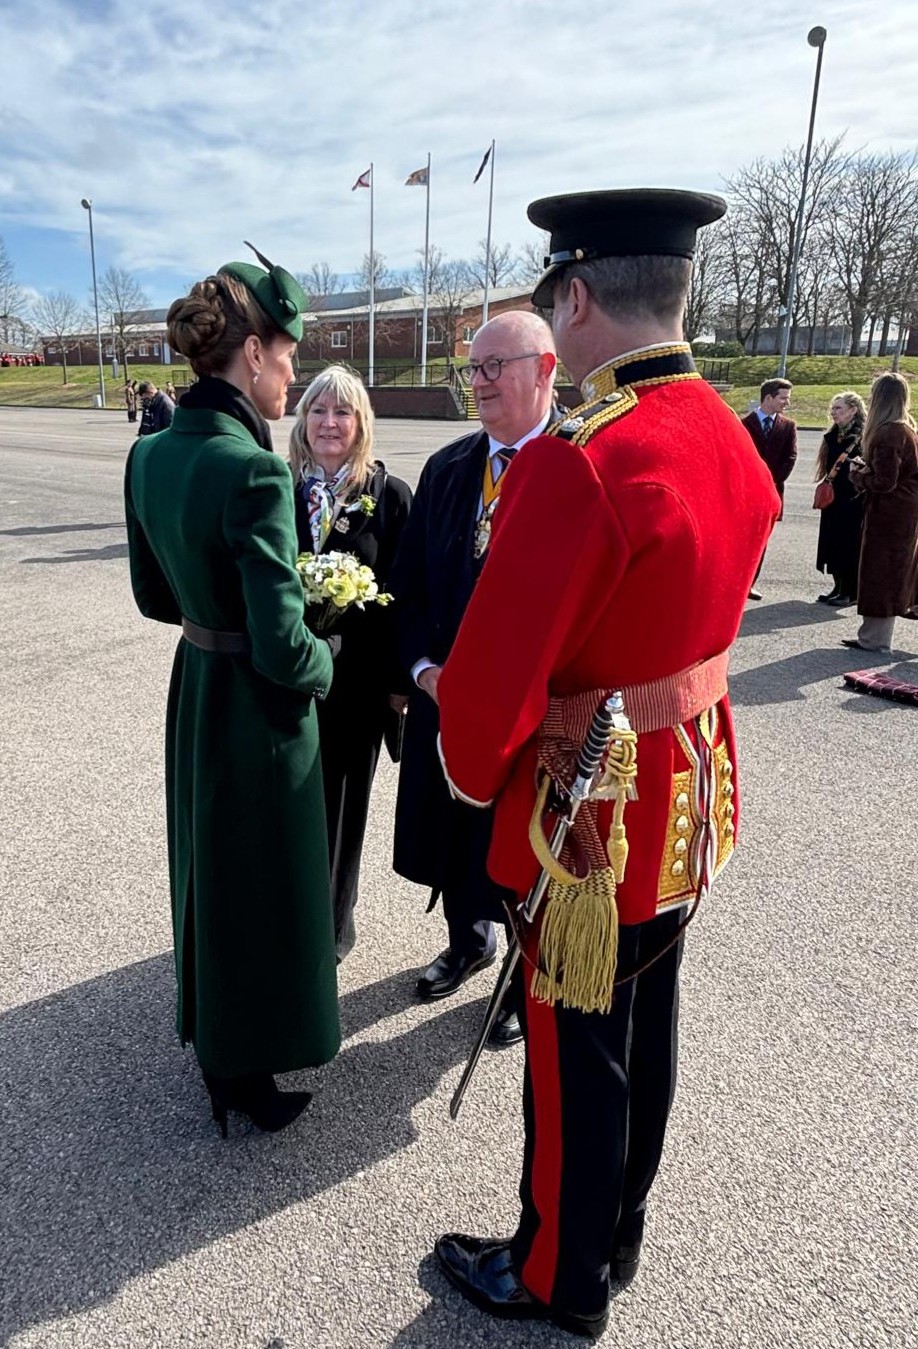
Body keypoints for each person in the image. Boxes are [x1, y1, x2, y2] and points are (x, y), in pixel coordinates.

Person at [432, 189, 780, 1339]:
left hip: (590, 803)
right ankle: (616, 1231)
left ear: (576, 296)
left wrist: (473, 773)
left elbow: (490, 689)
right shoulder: (727, 431)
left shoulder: (587, 455)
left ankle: (558, 1273)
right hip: (683, 786)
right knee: (648, 1015)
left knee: (573, 1039)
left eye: (551, 296)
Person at [124, 248, 340, 1136]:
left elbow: (150, 595)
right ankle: (245, 1069)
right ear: (251, 355)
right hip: (257, 705)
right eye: (289, 356)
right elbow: (287, 648)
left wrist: (210, 611)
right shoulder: (254, 471)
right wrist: (329, 660)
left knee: (211, 870)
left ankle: (219, 1052)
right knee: (262, 884)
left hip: (197, 683)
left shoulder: (150, 454)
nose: (293, 374)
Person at [391, 310, 559, 1048]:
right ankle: (469, 940)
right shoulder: (449, 467)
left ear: (545, 367)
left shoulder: (578, 464)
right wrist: (424, 671)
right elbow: (409, 585)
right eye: (474, 368)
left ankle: (525, 980)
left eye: (497, 366)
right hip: (449, 705)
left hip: (537, 718)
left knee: (527, 846)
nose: (481, 382)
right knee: (459, 835)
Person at [289, 365, 412, 962]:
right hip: (285, 683)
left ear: (361, 423)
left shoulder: (388, 497)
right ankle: (286, 911)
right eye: (318, 410)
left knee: (341, 809)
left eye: (343, 412)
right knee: (287, 804)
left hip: (356, 688)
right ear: (302, 419)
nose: (329, 423)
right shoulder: (278, 487)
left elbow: (405, 597)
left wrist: (397, 685)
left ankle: (333, 927)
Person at [842, 371, 918, 653]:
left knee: (880, 572)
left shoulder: (889, 432)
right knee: (897, 570)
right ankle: (873, 635)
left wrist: (858, 474)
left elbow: (884, 482)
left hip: (890, 513)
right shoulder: (906, 426)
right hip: (903, 511)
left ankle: (874, 639)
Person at [741, 378, 797, 599]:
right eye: (783, 398)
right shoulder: (744, 424)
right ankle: (736, 581)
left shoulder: (788, 426)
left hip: (772, 491)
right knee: (741, 539)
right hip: (745, 492)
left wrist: (770, 481)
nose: (787, 403)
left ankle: (750, 583)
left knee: (761, 540)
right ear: (768, 398)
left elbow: (790, 457)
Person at [814, 391, 867, 607]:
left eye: (839, 408)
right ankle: (838, 587)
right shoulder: (835, 434)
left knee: (848, 544)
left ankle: (849, 591)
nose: (833, 413)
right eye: (833, 408)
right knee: (832, 542)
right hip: (834, 497)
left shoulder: (862, 436)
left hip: (852, 497)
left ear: (853, 410)